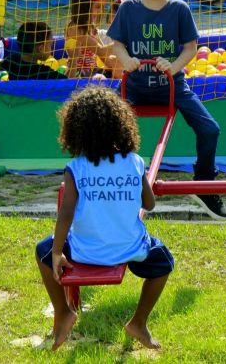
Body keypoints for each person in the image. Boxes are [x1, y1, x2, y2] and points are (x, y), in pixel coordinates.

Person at [35, 86, 173, 350]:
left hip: (83, 252)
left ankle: (63, 311)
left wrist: (56, 253)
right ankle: (139, 322)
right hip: (129, 250)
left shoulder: (76, 168)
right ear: (121, 124)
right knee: (164, 262)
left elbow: (66, 213)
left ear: (75, 131)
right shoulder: (134, 162)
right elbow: (149, 204)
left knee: (42, 250)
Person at [108, 0, 226, 220]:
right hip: (134, 87)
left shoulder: (179, 9)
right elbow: (117, 43)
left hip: (173, 87)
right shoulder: (128, 8)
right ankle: (112, 185)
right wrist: (126, 60)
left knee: (210, 129)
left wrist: (173, 66)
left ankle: (204, 184)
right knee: (104, 126)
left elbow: (190, 47)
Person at [64, 0, 122, 78]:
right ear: (84, 6)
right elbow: (99, 50)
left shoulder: (91, 27)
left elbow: (103, 55)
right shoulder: (75, 28)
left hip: (93, 71)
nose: (100, 11)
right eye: (97, 7)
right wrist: (121, 45)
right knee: (100, 77)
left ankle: (121, 88)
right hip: (78, 74)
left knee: (117, 62)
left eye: (102, 7)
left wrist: (115, 64)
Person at [0, 21, 67, 80]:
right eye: (50, 45)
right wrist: (73, 58)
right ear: (41, 49)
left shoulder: (10, 61)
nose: (51, 49)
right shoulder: (44, 72)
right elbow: (69, 84)